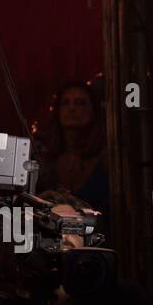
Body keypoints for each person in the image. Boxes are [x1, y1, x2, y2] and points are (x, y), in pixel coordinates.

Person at [34, 81, 109, 215]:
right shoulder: (46, 162)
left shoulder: (106, 160)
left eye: (80, 103)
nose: (72, 108)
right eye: (66, 103)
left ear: (93, 110)